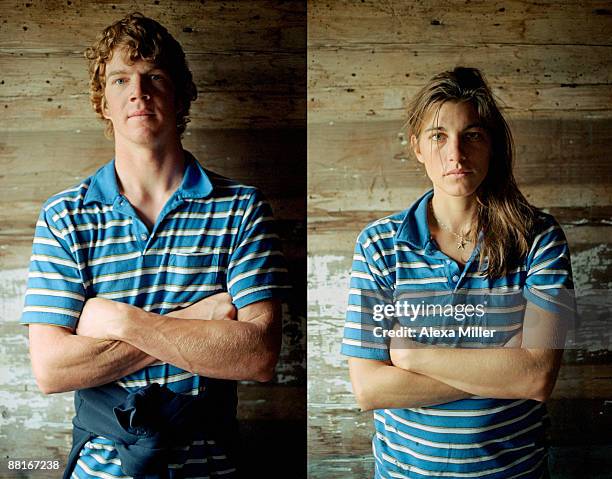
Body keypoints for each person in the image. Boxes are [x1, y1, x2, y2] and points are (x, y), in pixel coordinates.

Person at [21, 12, 288, 478]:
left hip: (211, 465)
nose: (137, 92)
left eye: (154, 77)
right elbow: (51, 370)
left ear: (180, 93)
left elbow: (258, 356)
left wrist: (119, 320)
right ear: (103, 102)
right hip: (99, 468)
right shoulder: (66, 216)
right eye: (120, 79)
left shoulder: (241, 208)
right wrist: (195, 320)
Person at [342, 67, 575, 478]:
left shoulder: (539, 238)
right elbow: (370, 389)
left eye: (472, 135)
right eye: (438, 136)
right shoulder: (379, 244)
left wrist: (414, 356)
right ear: (417, 147)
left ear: (491, 145)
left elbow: (539, 378)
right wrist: (506, 367)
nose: (456, 154)